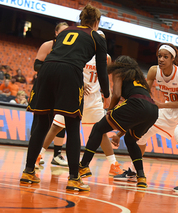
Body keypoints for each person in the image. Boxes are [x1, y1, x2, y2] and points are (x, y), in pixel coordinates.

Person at [20, 3, 110, 192]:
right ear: (96, 21)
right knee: (72, 126)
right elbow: (102, 72)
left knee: (40, 124)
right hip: (69, 73)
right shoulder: (96, 37)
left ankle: (28, 171)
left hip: (47, 70)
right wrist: (107, 94)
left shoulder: (66, 31)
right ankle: (74, 178)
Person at [113, 43, 178, 193]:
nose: (161, 59)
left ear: (172, 59)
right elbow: (144, 92)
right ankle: (134, 171)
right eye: (159, 56)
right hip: (168, 106)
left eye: (165, 57)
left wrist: (158, 105)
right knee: (140, 134)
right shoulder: (154, 71)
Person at [37, 30, 123, 176]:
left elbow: (103, 76)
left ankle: (113, 165)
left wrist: (106, 95)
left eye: (102, 39)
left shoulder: (107, 58)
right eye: (98, 39)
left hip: (94, 99)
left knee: (101, 131)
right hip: (75, 94)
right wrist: (81, 83)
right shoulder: (81, 52)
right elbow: (70, 70)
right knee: (56, 127)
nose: (100, 42)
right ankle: (39, 156)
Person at [79, 55, 158, 189]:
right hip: (153, 110)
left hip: (136, 104)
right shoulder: (138, 78)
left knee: (98, 128)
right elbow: (133, 117)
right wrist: (119, 134)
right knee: (131, 140)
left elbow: (116, 94)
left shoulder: (119, 72)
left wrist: (109, 111)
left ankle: (84, 166)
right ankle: (141, 176)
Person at [33, 22, 70, 167]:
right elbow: (36, 65)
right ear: (55, 33)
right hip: (44, 88)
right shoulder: (48, 45)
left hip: (61, 89)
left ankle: (57, 155)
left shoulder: (70, 49)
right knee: (41, 121)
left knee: (61, 121)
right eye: (61, 32)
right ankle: (36, 154)